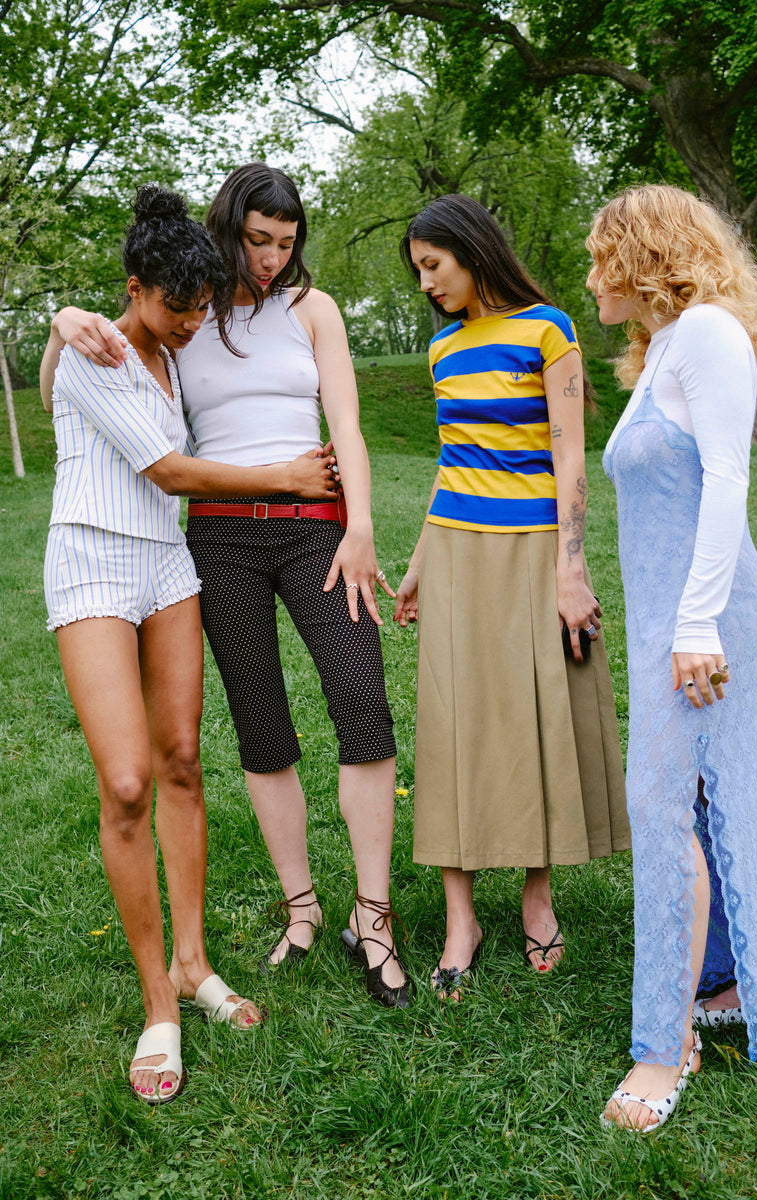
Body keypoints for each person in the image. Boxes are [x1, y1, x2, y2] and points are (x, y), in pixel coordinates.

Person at [48, 164, 412, 1008]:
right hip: (219, 540)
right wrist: (60, 321)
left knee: (362, 701)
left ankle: (374, 915)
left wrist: (360, 526)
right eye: (257, 240)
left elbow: (347, 423)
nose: (272, 259)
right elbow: (86, 370)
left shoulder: (310, 310)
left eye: (286, 243)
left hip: (316, 527)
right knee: (260, 724)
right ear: (227, 229)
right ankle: (301, 908)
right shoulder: (189, 313)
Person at [40, 185, 338, 1104]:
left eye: (202, 306)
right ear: (133, 288)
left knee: (180, 762)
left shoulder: (175, 351)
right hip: (93, 564)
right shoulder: (94, 349)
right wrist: (284, 478)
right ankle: (157, 1003)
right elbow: (169, 470)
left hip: (167, 567)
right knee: (127, 782)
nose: (192, 322)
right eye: (177, 307)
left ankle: (194, 962)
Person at [586, 183, 757, 1132]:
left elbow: (727, 479)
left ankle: (663, 1046)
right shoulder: (665, 348)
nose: (592, 277)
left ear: (646, 256)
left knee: (663, 805)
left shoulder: (709, 332)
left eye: (602, 258)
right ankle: (740, 982)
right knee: (706, 798)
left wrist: (697, 626)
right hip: (669, 618)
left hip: (701, 617)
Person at [394, 193, 630, 1000]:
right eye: (419, 271)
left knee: (534, 716)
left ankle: (537, 896)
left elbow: (570, 461)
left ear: (471, 250)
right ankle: (460, 919)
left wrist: (571, 569)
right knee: (454, 722)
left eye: (433, 265)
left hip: (533, 553)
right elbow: (452, 462)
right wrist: (420, 562)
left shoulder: (547, 330)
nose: (427, 283)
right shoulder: (442, 348)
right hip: (456, 554)